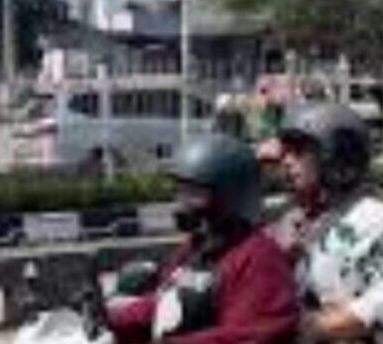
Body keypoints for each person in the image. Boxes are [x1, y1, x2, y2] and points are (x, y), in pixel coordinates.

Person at [107, 134, 298, 344]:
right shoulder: (195, 249)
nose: (182, 204)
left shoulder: (257, 257)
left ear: (229, 197)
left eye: (194, 193)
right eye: (180, 192)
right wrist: (110, 321)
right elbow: (162, 303)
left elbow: (250, 334)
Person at [262, 103, 383, 344]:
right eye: (286, 152)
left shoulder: (374, 220)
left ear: (334, 155)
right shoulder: (291, 217)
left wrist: (317, 327)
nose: (287, 161)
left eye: (299, 152)